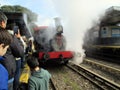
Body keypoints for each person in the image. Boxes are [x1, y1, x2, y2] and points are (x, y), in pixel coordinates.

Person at [0, 11, 24, 90]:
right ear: (2, 23)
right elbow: (20, 52)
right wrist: (18, 39)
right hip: (7, 73)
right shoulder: (8, 36)